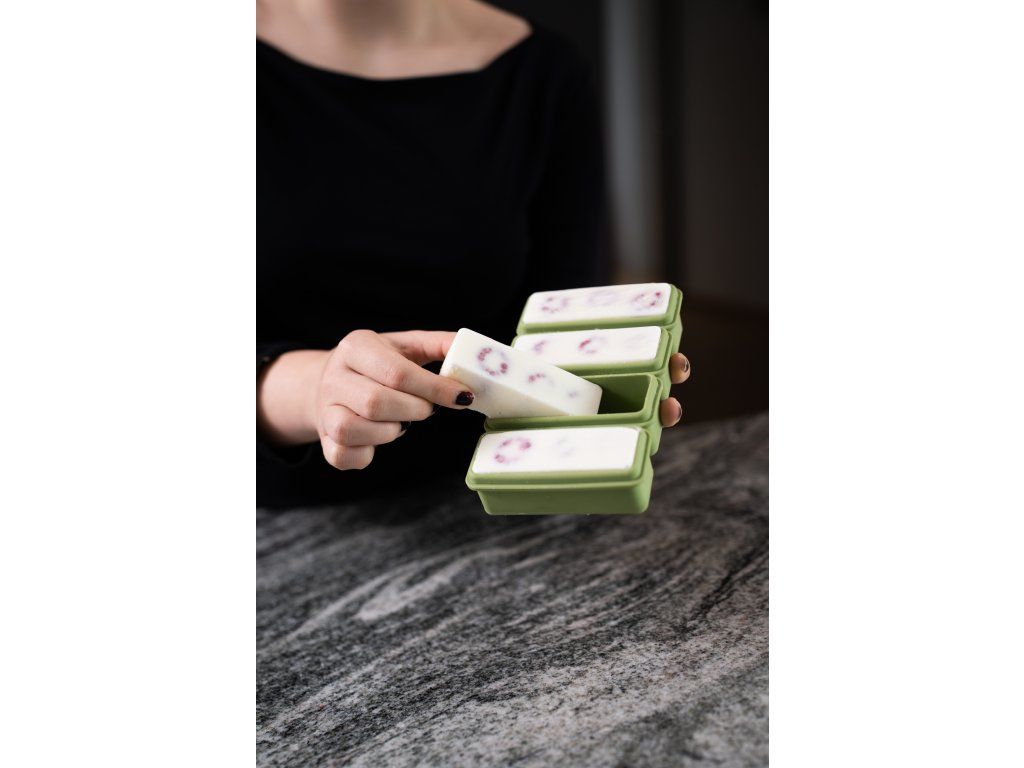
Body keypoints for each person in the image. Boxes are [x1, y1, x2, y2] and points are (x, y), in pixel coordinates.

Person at [257, 0, 691, 507]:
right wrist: (314, 387)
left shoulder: (544, 71)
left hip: (495, 484)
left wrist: (607, 378)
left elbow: (560, 310)